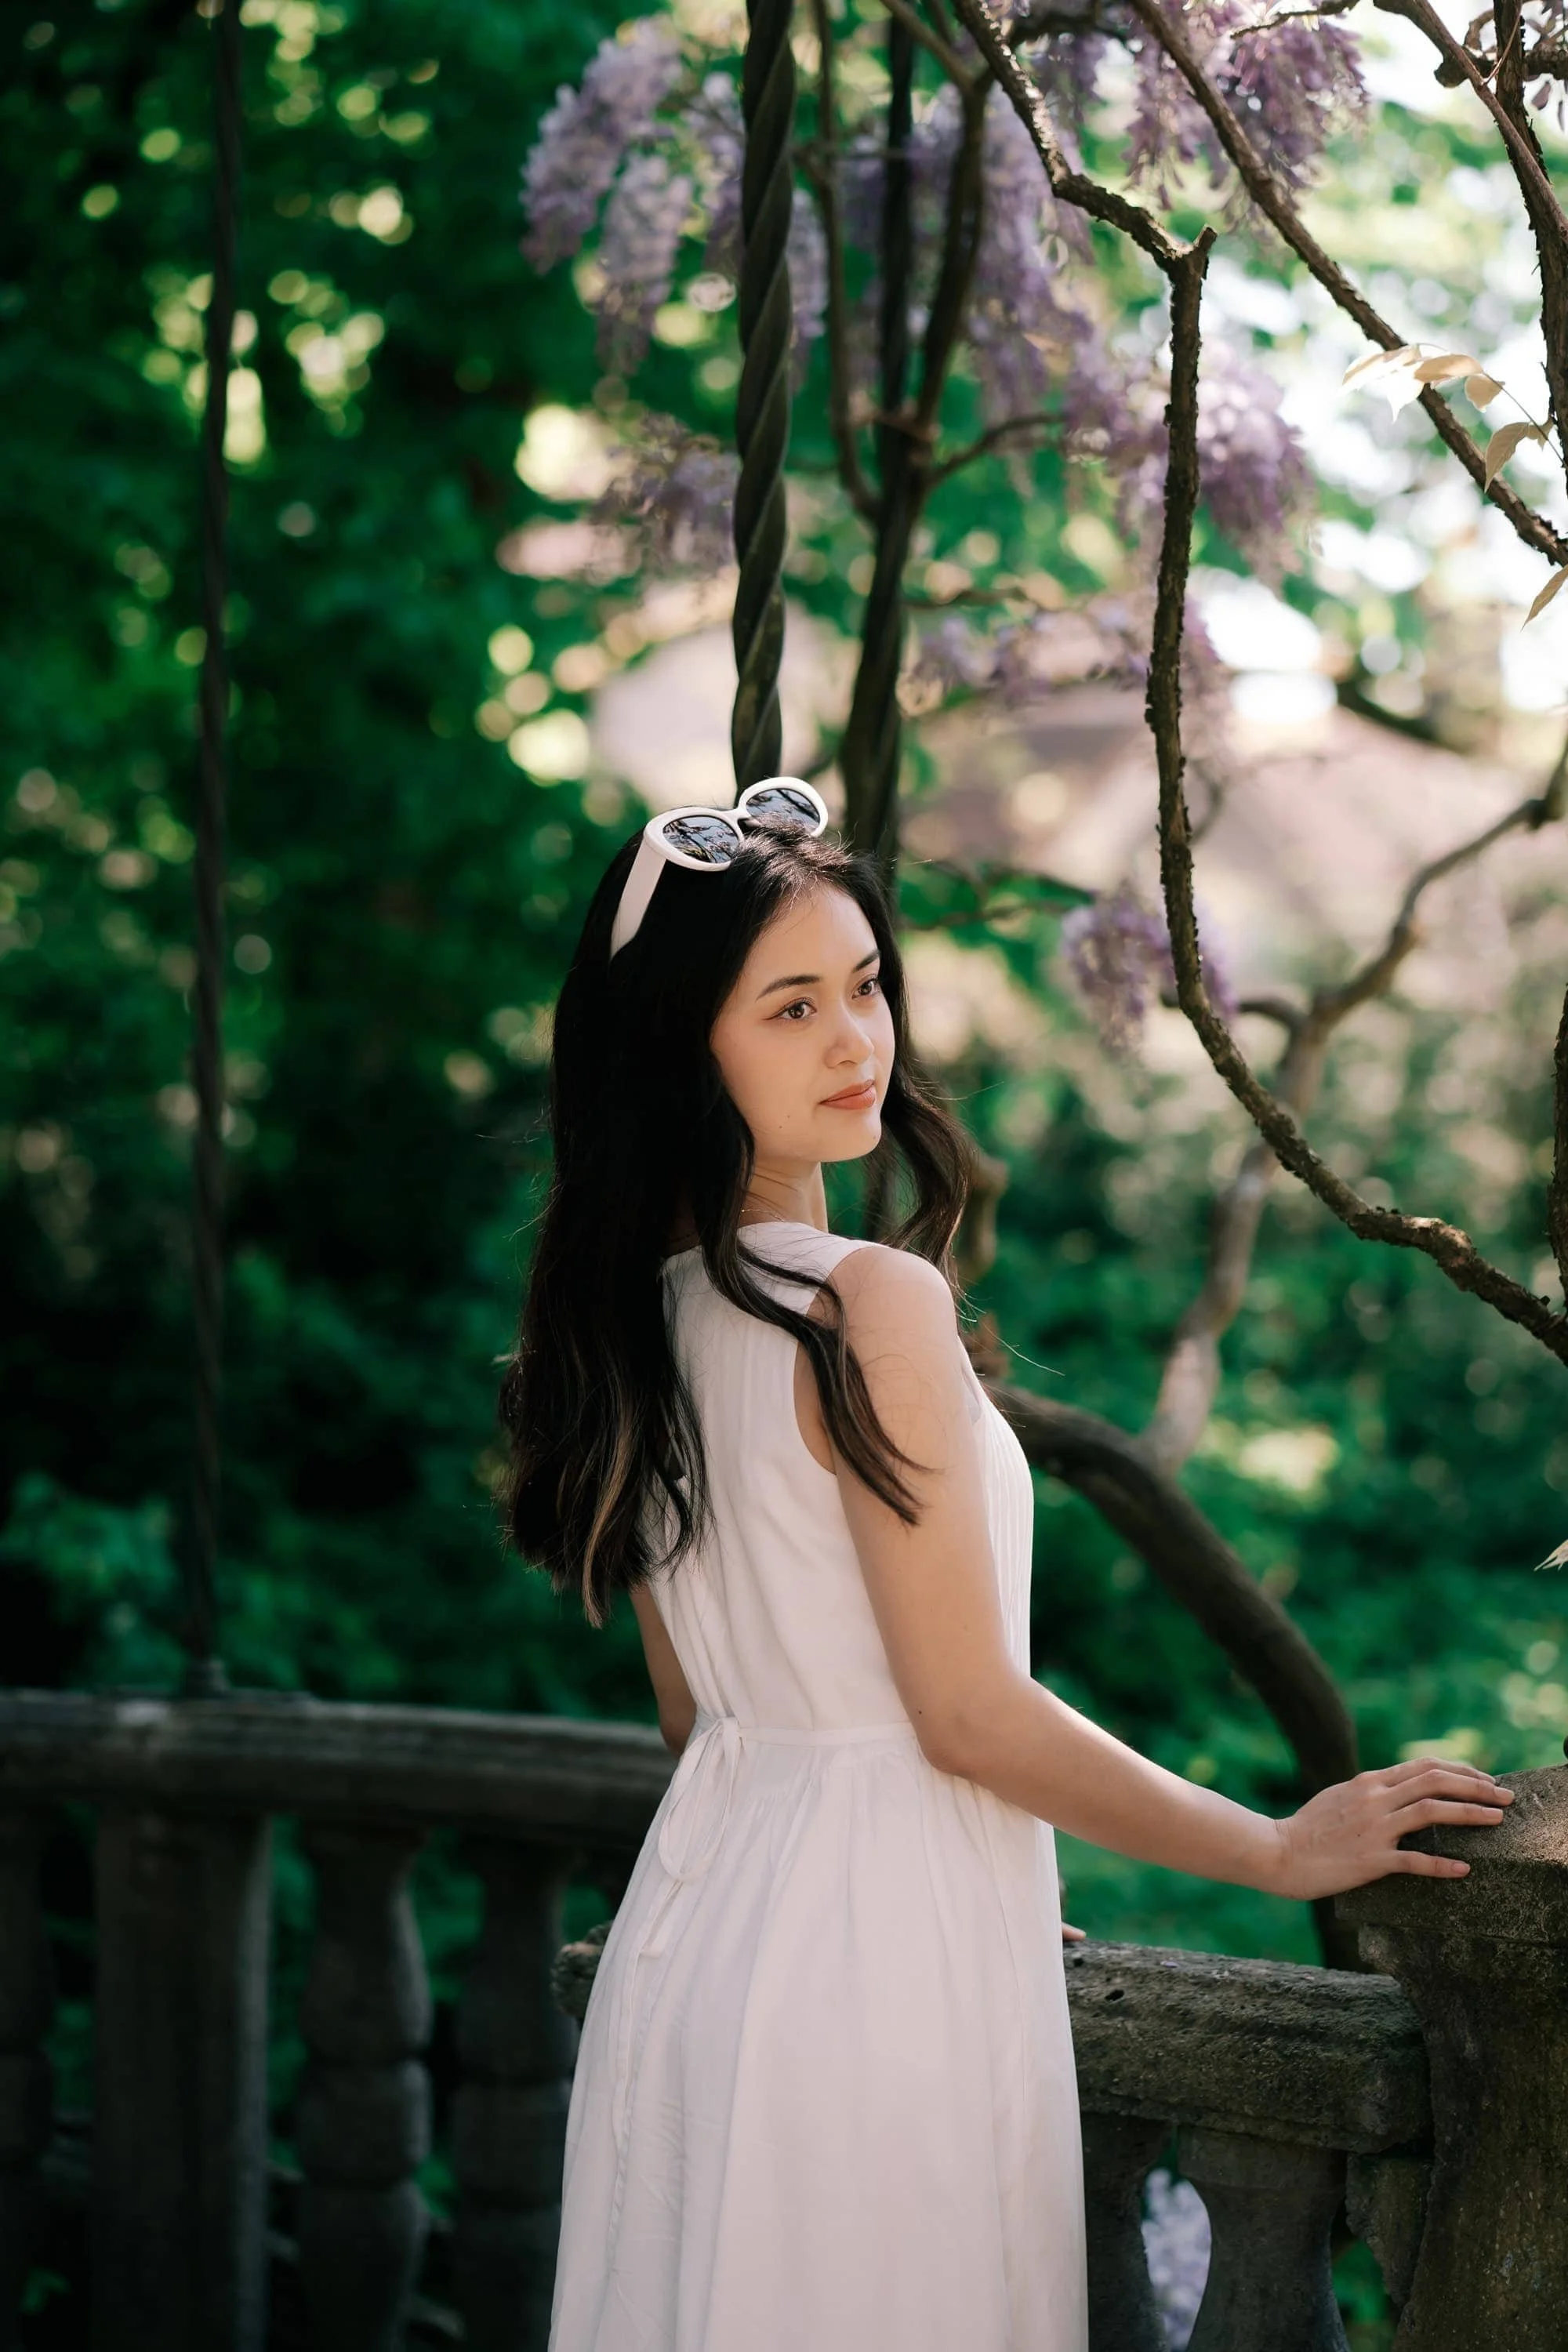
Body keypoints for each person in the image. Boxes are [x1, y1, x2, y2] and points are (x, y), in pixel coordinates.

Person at [499, 786, 1514, 2352]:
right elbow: (965, 1714)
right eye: (790, 1006)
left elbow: (703, 1723)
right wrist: (1272, 1846)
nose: (858, 1039)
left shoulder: (645, 1325)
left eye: (864, 984)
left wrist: (936, 1867)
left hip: (694, 1956)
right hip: (856, 1998)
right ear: (681, 1047)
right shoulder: (865, 1307)